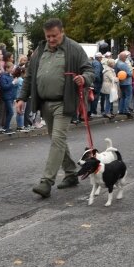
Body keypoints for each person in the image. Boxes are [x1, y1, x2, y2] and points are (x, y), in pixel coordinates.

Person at [16, 18, 94, 198]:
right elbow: (29, 77)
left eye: (54, 36)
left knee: (57, 139)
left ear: (62, 32)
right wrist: (21, 97)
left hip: (64, 102)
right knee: (57, 140)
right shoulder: (39, 51)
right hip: (45, 103)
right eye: (48, 36)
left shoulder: (74, 48)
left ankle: (46, 182)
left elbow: (89, 70)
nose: (51, 39)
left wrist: (84, 78)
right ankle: (71, 173)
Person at [115, 51, 133, 117]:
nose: (126, 58)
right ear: (123, 58)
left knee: (122, 97)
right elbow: (129, 74)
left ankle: (121, 110)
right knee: (128, 96)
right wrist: (132, 71)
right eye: (126, 57)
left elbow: (116, 72)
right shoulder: (124, 64)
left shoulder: (117, 63)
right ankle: (126, 110)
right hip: (127, 82)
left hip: (121, 82)